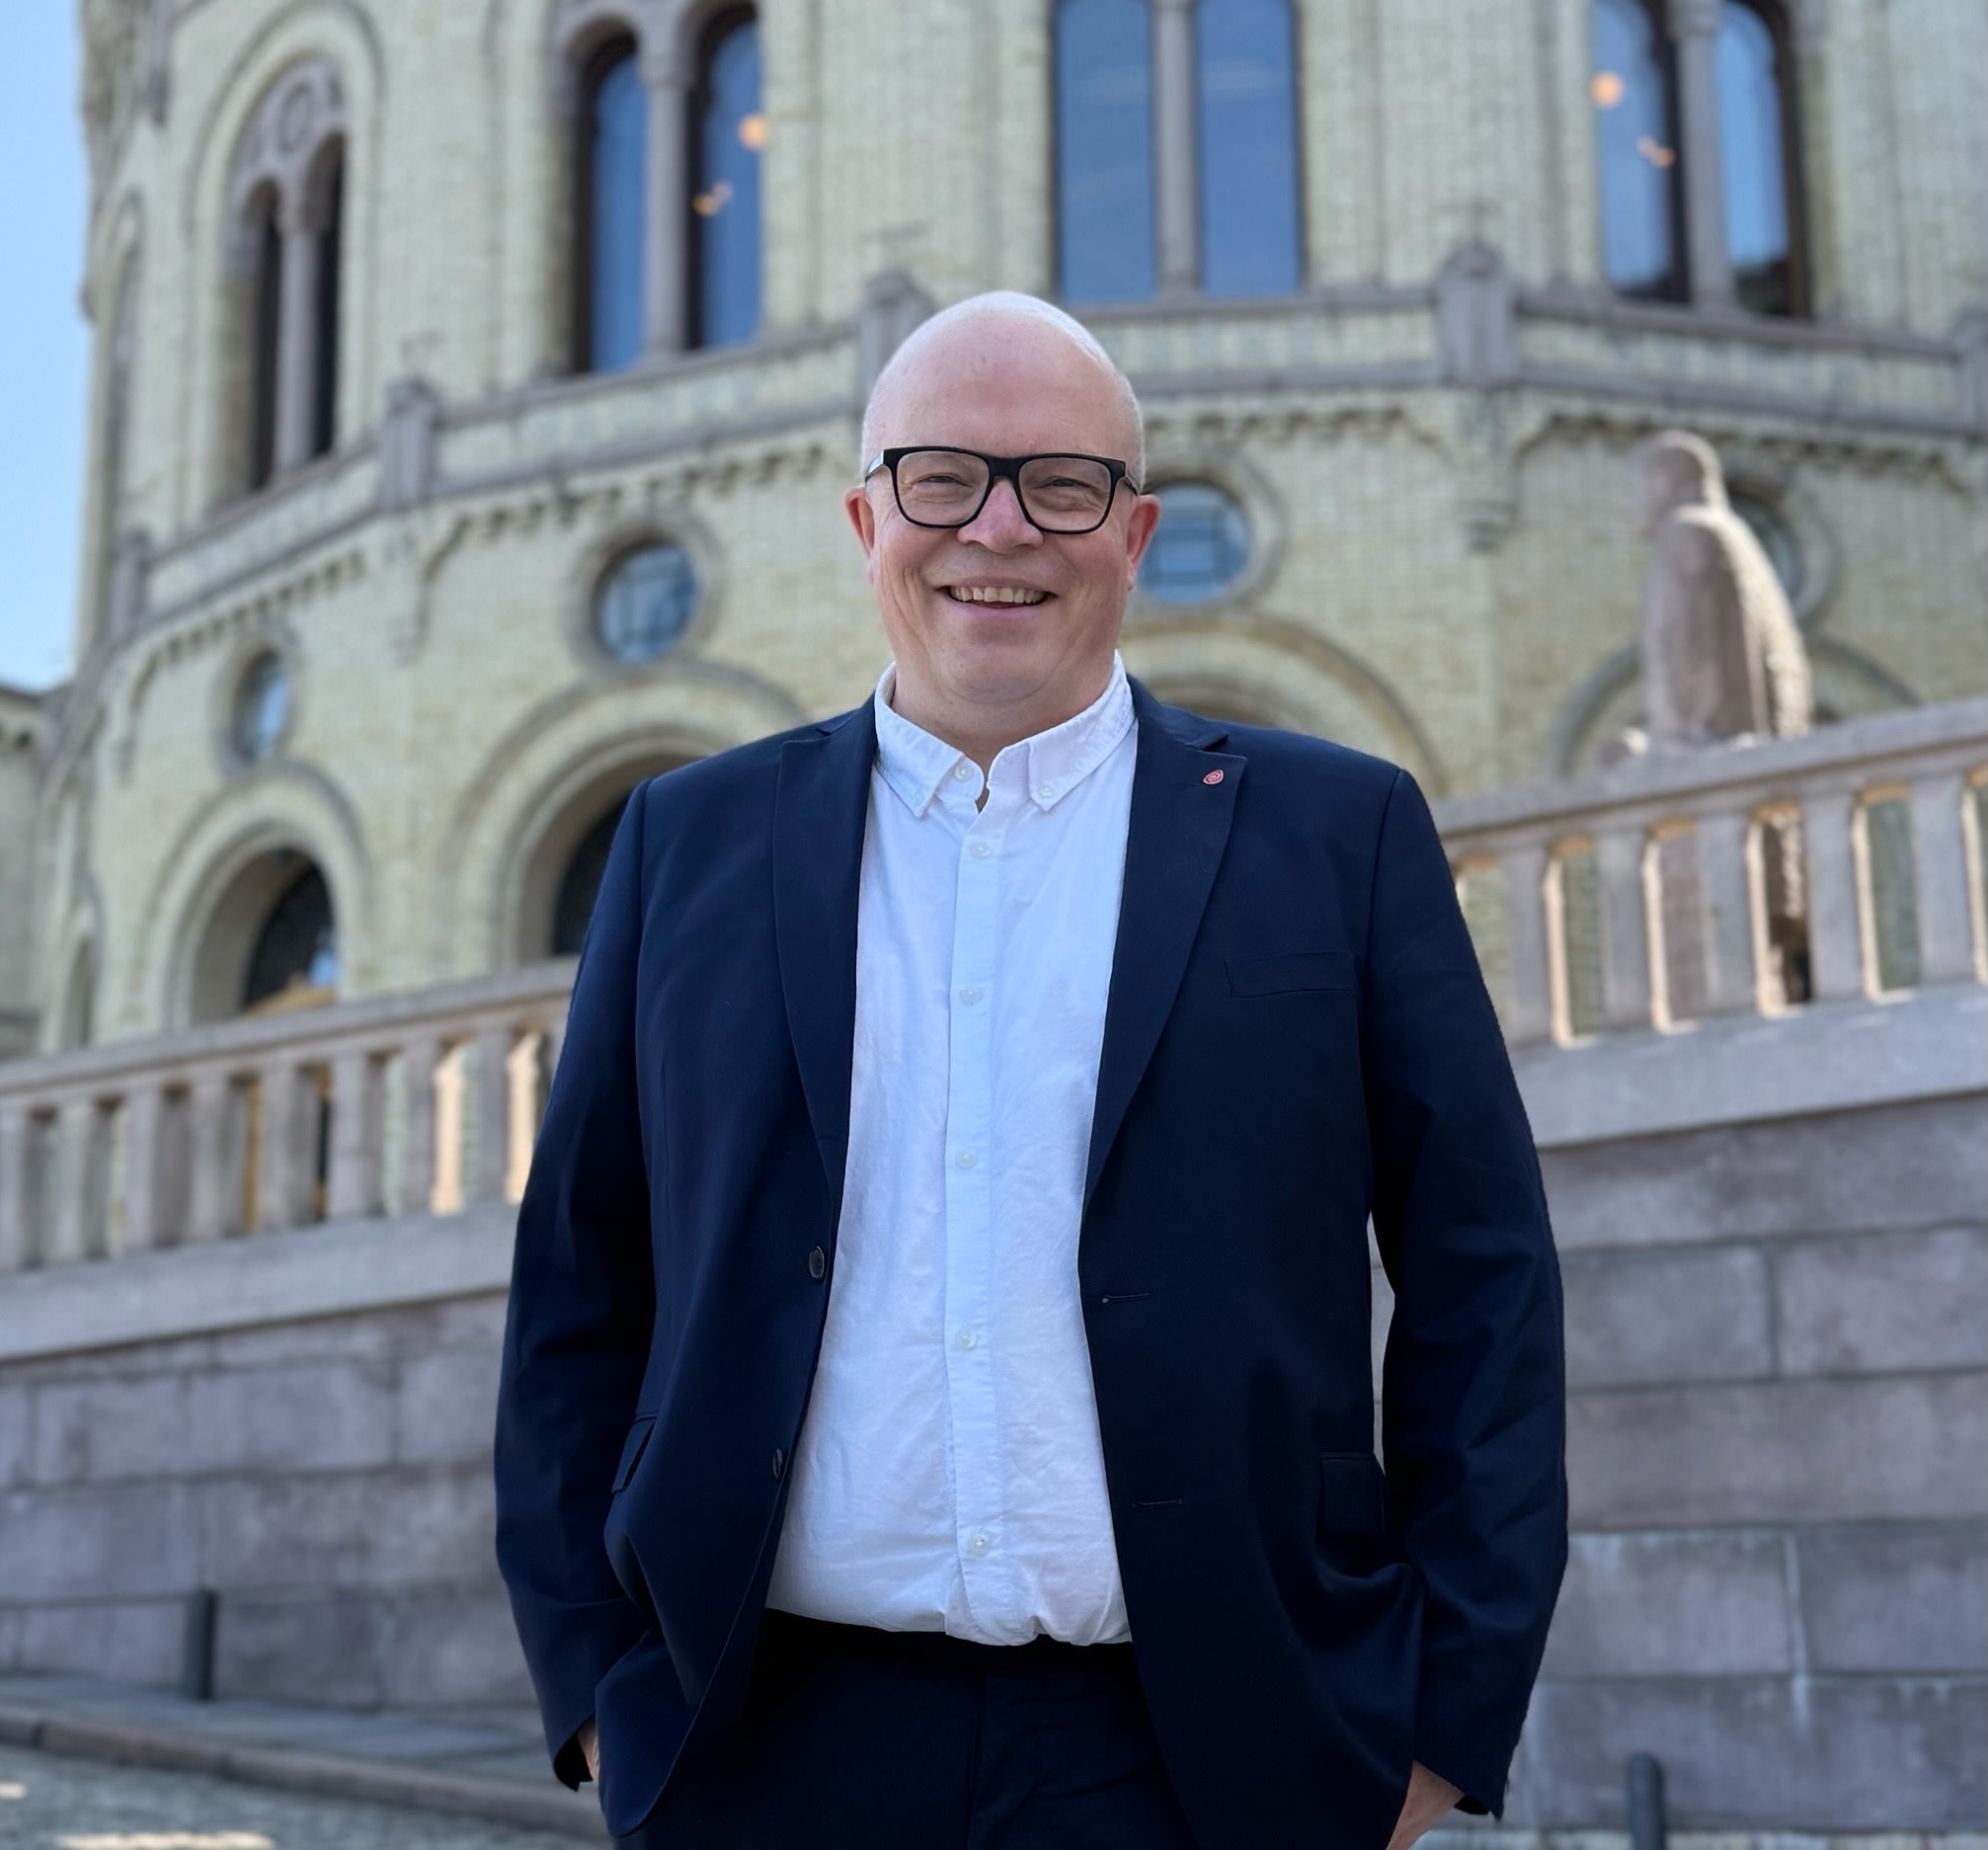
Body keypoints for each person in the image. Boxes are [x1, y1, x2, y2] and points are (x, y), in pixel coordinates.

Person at [494, 291, 1566, 1850]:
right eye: (940, 479)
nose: (996, 529)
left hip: (1213, 1758)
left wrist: (1437, 1719)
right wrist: (598, 1688)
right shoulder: (686, 841)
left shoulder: (1338, 834)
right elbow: (576, 1284)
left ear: (1132, 533)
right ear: (865, 519)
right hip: (760, 1747)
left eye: (1059, 485)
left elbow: (1484, 1276)